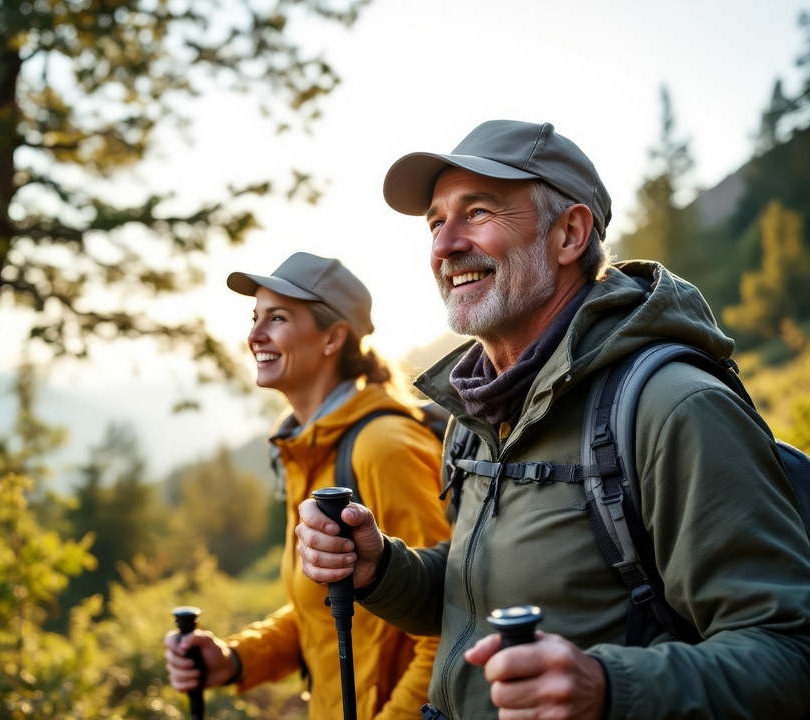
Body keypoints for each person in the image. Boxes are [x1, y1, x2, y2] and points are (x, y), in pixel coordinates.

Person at [295, 120, 810, 719]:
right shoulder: (476, 410)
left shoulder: (673, 407)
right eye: (436, 222)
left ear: (569, 234)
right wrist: (380, 568)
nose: (443, 245)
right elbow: (477, 597)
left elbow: (787, 651)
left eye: (478, 212)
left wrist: (606, 686)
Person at [164, 251, 451, 719]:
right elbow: (320, 611)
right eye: (255, 317)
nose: (254, 335)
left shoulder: (383, 448)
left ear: (333, 337)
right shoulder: (309, 446)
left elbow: (448, 622)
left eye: (277, 318)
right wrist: (235, 660)